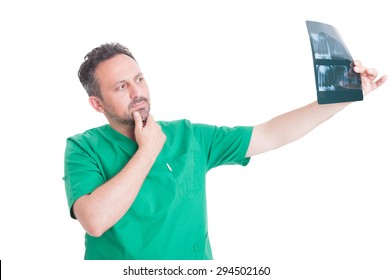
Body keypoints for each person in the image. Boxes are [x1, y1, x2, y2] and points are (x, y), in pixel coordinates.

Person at [63, 42, 387, 260]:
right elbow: (95, 221)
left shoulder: (190, 136)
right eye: (122, 86)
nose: (138, 92)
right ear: (97, 103)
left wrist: (344, 97)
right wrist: (148, 150)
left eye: (139, 79)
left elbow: (270, 134)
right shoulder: (83, 148)